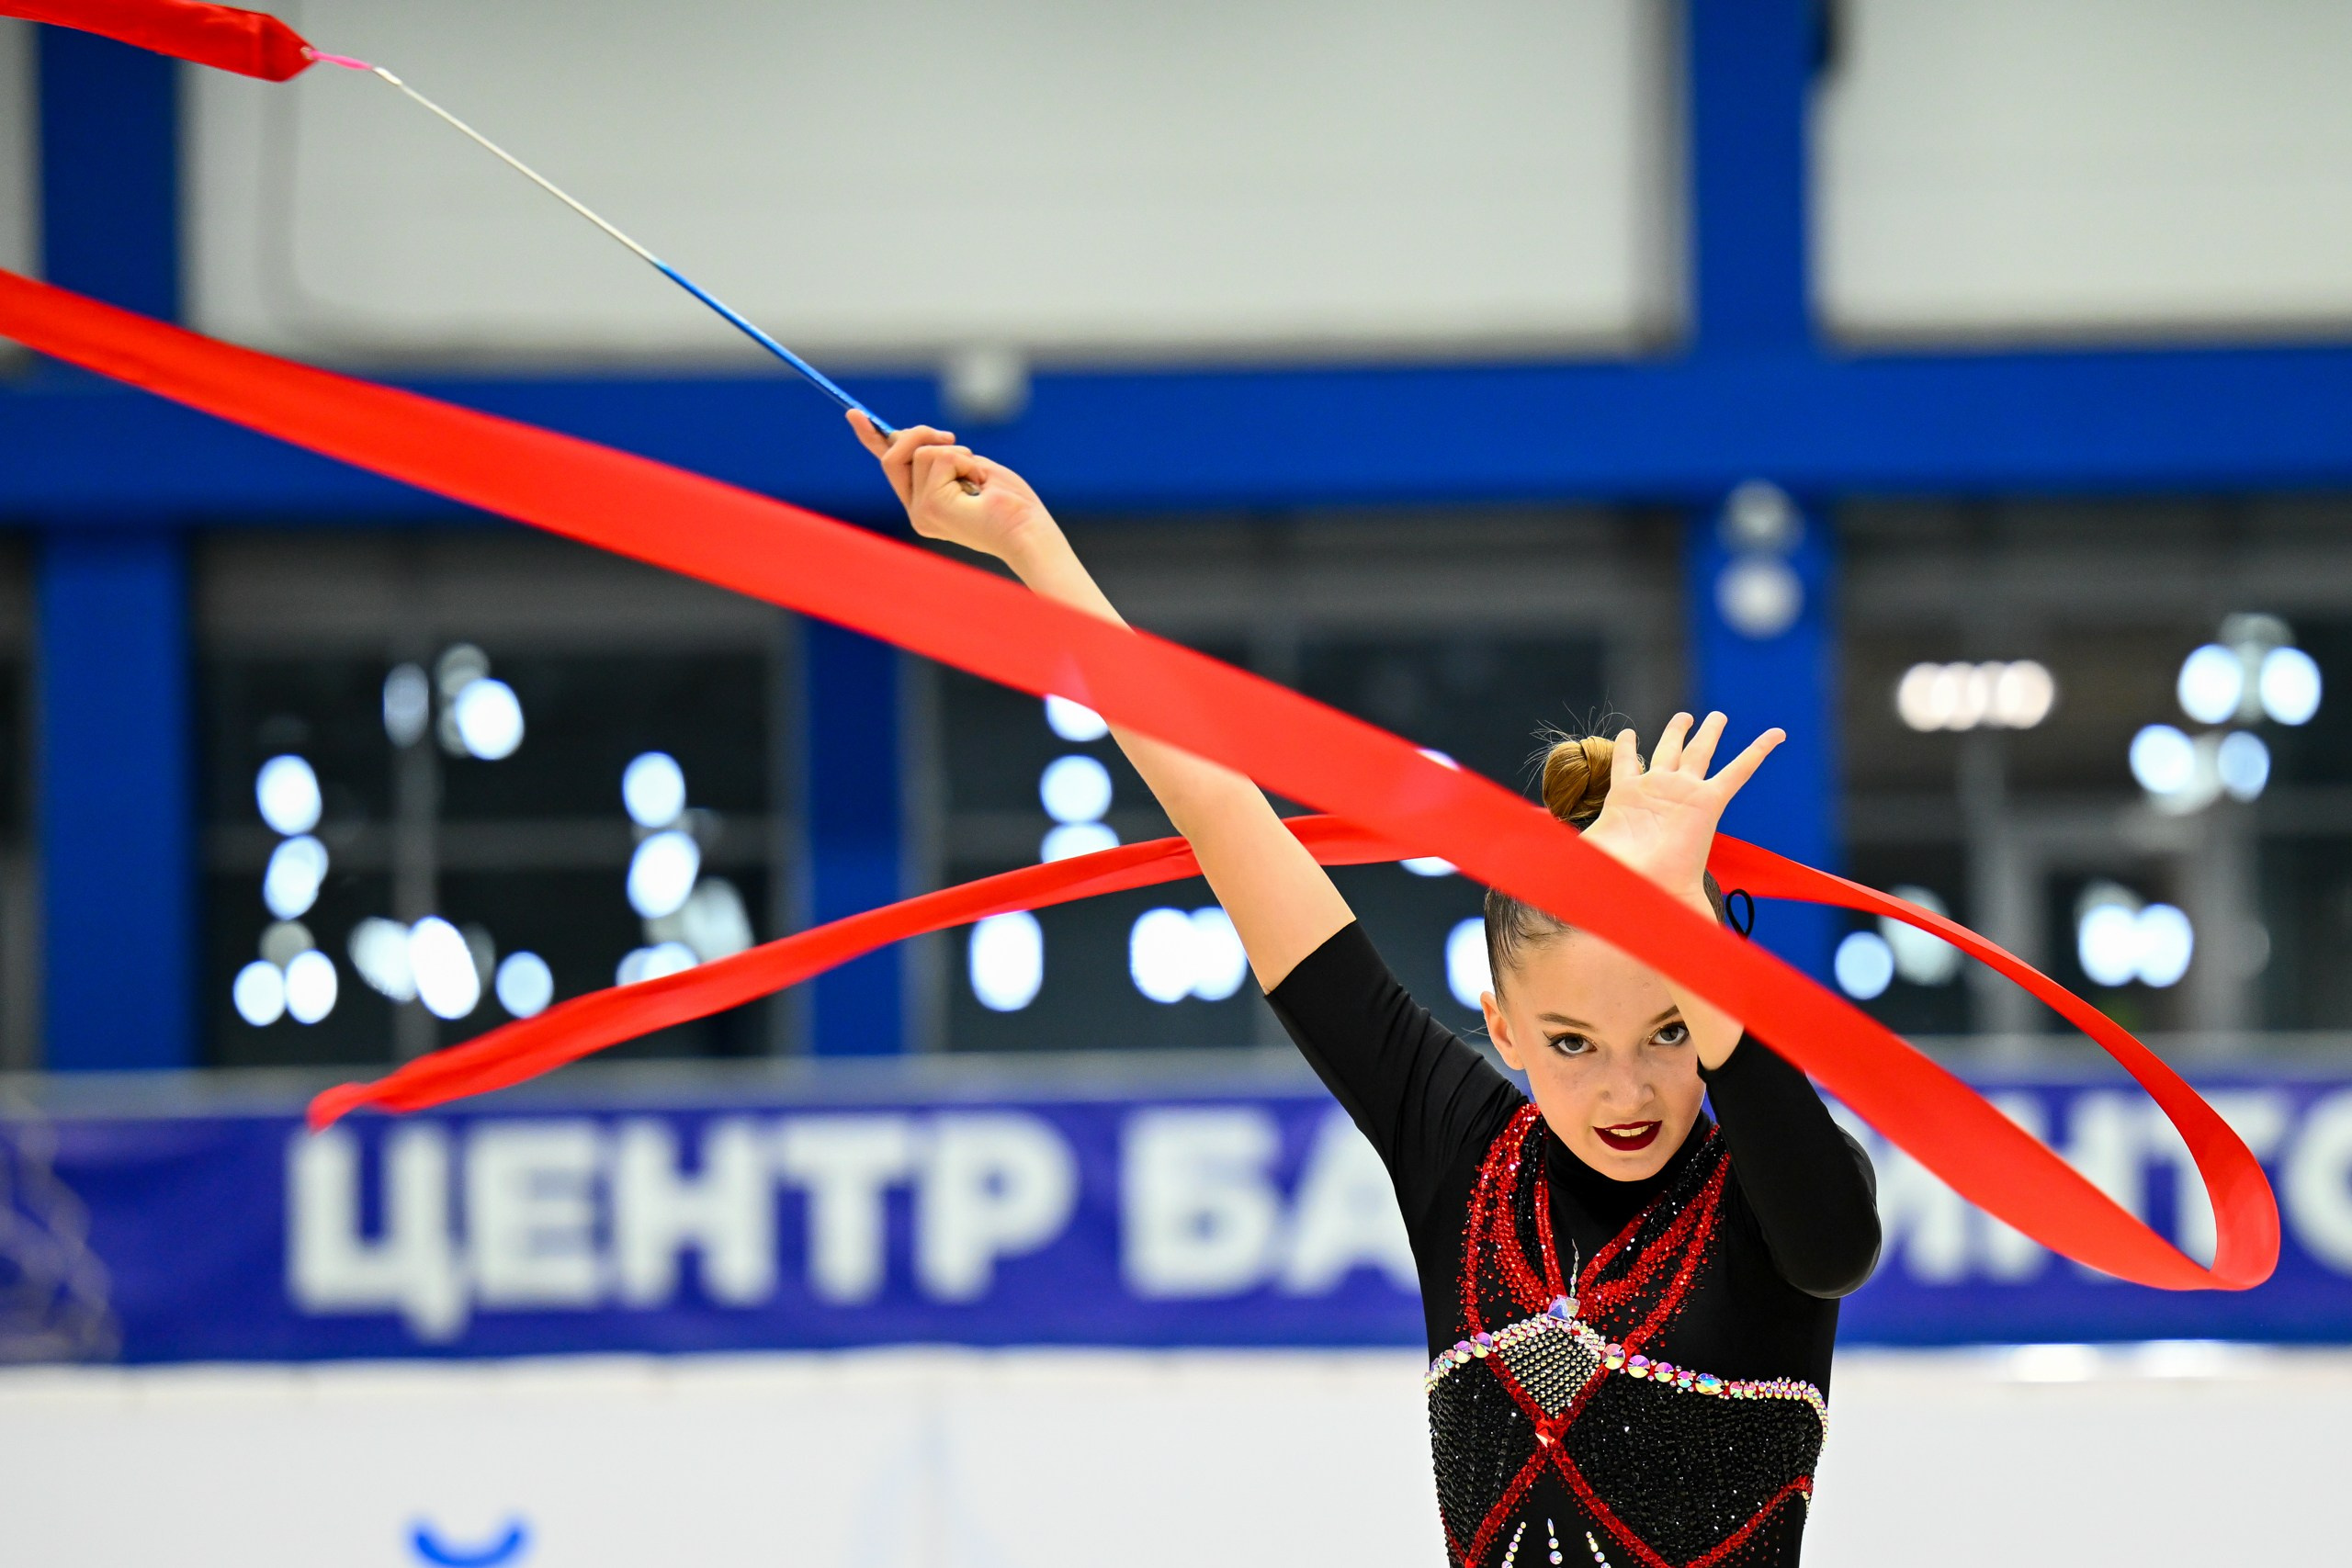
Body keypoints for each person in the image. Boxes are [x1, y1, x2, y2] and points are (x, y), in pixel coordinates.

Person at [852, 414, 1883, 1568]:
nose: (1627, 1085)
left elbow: (1836, 1245)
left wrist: (1687, 928)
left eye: (1668, 1029)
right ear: (1501, 1028)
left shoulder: (1760, 1194)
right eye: (1572, 1042)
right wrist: (1031, 544)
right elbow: (1223, 815)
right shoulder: (1461, 1154)